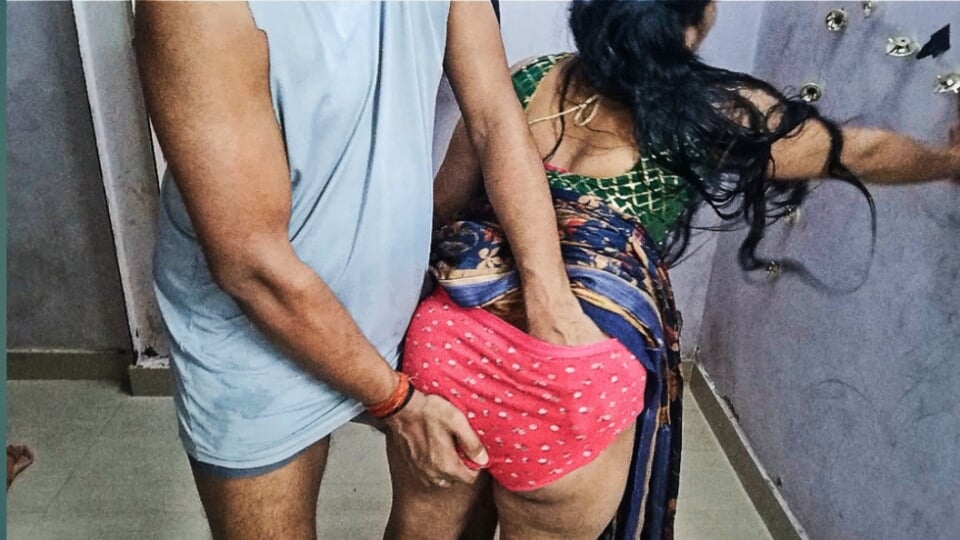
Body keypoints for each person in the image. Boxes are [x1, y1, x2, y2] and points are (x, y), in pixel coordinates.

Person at [387, 1, 960, 539]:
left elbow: (444, 207)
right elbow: (861, 151)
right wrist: (947, 160)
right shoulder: (711, 116)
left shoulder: (523, 81)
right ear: (687, 29)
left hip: (452, 350)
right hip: (572, 372)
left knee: (423, 526)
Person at [134, 2, 603, 539]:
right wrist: (395, 401)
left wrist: (551, 295)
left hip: (393, 297)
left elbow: (495, 117)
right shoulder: (195, 11)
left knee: (458, 491)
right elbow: (251, 265)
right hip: (255, 334)